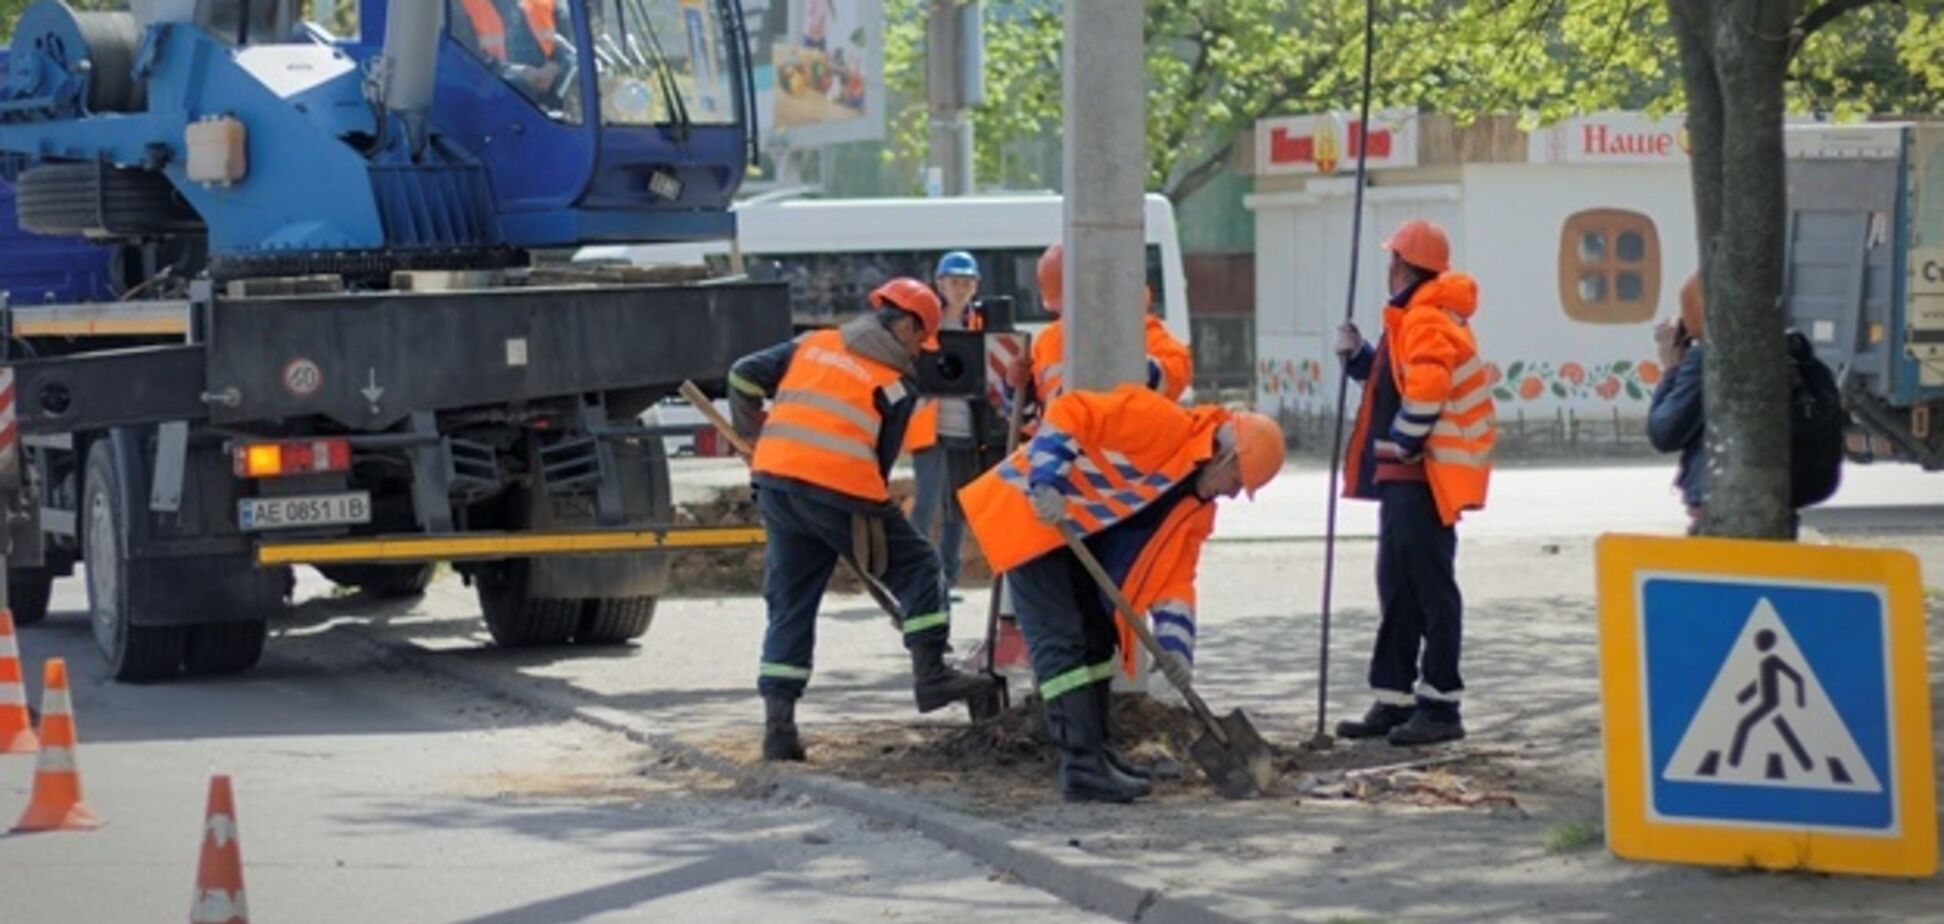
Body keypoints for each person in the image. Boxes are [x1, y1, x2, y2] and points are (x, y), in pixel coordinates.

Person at [959, 385, 1286, 802]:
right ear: (1225, 456)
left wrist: (1176, 651)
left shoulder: (1197, 508)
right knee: (1064, 643)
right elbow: (1073, 409)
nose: (1234, 493)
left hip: (1075, 535)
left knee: (1096, 640)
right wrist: (1047, 478)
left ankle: (1097, 753)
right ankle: (1079, 766)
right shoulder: (1160, 422)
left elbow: (1176, 581)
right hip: (1033, 516)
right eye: (1237, 481)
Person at [728, 278, 997, 762]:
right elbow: (880, 462)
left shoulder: (812, 343)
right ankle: (932, 675)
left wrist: (754, 441)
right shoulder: (898, 383)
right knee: (919, 566)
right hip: (839, 489)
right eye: (920, 341)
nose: (919, 352)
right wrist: (863, 521)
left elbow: (743, 376)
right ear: (908, 325)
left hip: (777, 484)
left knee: (790, 602)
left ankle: (779, 729)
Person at [1331, 219, 1496, 748]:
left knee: (1428, 590)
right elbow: (1393, 378)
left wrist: (1403, 442)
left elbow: (1424, 389)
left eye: (1392, 261)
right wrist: (1358, 359)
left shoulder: (1424, 317)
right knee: (1400, 588)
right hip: (1407, 477)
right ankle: (1397, 697)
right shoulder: (1415, 317)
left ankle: (1441, 703)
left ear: (1403, 265)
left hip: (1422, 477)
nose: (1387, 268)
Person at [1004, 244, 1193, 411]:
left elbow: (1174, 374)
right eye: (1063, 309)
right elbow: (1034, 422)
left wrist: (1112, 354)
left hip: (1124, 446)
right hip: (1070, 445)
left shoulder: (1142, 332)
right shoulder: (1047, 341)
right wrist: (1018, 389)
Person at [904, 251, 985, 607]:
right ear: (940, 284)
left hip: (966, 427)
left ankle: (946, 580)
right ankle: (917, 579)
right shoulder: (927, 325)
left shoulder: (980, 323)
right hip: (930, 427)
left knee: (957, 508)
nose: (961, 289)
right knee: (925, 504)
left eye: (967, 282)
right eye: (954, 282)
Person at [1648, 274, 1708, 528]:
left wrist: (1672, 369)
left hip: (1715, 495)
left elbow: (1664, 432)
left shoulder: (1706, 359)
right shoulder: (1774, 346)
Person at [453, 0, 573, 103]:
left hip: (553, 91)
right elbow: (464, 59)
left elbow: (567, 33)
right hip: (496, 95)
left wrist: (554, 64)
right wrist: (519, 73)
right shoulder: (461, 6)